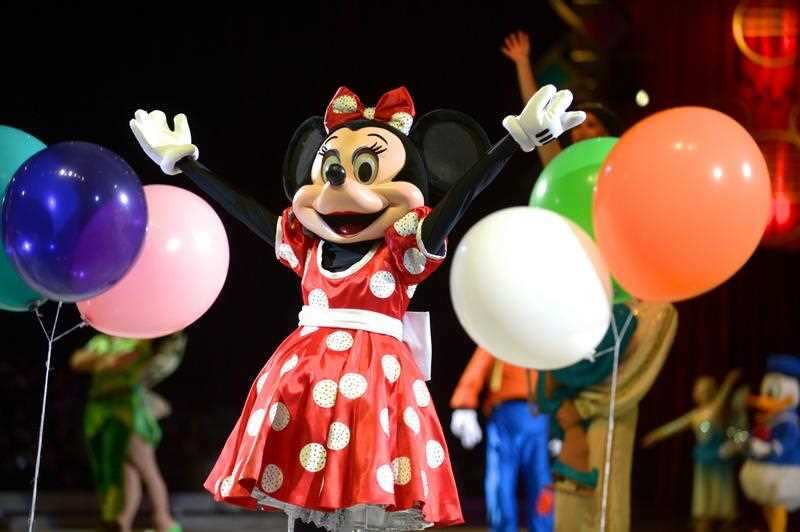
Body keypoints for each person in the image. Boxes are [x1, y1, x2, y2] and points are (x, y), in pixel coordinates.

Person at [128, 83, 585, 532]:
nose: (342, 186)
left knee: (367, 485)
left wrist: (511, 144)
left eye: (365, 170)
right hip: (305, 386)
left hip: (376, 391)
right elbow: (246, 210)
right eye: (331, 172)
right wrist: (188, 164)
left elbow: (458, 201)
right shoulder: (306, 247)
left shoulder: (402, 250)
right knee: (307, 493)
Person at [71, 332, 186, 532]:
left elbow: (130, 360)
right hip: (104, 412)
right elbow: (78, 361)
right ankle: (123, 521)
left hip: (130, 411)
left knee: (146, 466)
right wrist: (107, 359)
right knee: (128, 471)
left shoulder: (137, 339)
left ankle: (163, 519)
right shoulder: (102, 341)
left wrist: (104, 361)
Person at [641, 370, 742, 532]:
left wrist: (728, 383)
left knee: (720, 489)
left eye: (699, 390)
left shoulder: (715, 409)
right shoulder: (695, 415)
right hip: (703, 457)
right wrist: (656, 435)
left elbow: (721, 400)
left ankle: (723, 519)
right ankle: (703, 518)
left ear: (708, 392)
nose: (695, 393)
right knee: (703, 490)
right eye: (695, 390)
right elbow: (675, 426)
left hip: (718, 457)